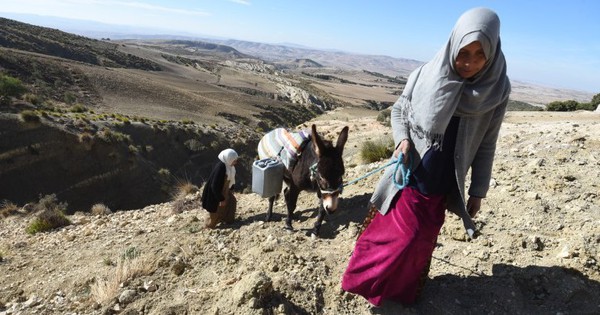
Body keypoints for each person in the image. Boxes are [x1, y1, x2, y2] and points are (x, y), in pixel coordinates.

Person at [341, 7, 511, 307]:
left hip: (444, 185)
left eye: (479, 54)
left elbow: (487, 144)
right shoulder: (426, 74)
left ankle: (400, 295)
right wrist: (403, 139)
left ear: (493, 53)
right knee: (397, 240)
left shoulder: (497, 90)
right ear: (452, 44)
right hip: (411, 176)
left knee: (421, 245)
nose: (469, 62)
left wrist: (478, 191)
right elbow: (398, 112)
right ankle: (364, 287)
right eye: (463, 52)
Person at [201, 148, 239, 228]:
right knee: (212, 220)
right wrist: (221, 199)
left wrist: (230, 189)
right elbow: (214, 186)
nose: (235, 162)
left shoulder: (230, 167)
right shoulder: (221, 168)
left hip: (224, 191)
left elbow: (230, 180)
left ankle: (227, 220)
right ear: (229, 159)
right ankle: (209, 225)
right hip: (215, 194)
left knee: (231, 202)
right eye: (234, 160)